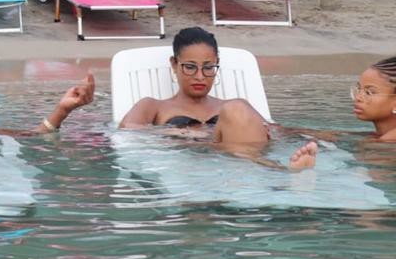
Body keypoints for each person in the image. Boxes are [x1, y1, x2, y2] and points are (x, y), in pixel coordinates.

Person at [118, 27, 318, 169]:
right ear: (174, 64)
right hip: (188, 165)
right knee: (236, 109)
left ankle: (276, 171)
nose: (199, 76)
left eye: (208, 67)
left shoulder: (234, 106)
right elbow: (127, 130)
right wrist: (176, 133)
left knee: (236, 107)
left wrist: (332, 135)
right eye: (190, 67)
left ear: (217, 65)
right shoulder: (154, 105)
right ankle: (279, 173)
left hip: (234, 163)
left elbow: (274, 130)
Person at [350, 56, 396, 142]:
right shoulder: (382, 137)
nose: (358, 98)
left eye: (370, 92)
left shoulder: (387, 142)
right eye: (359, 89)